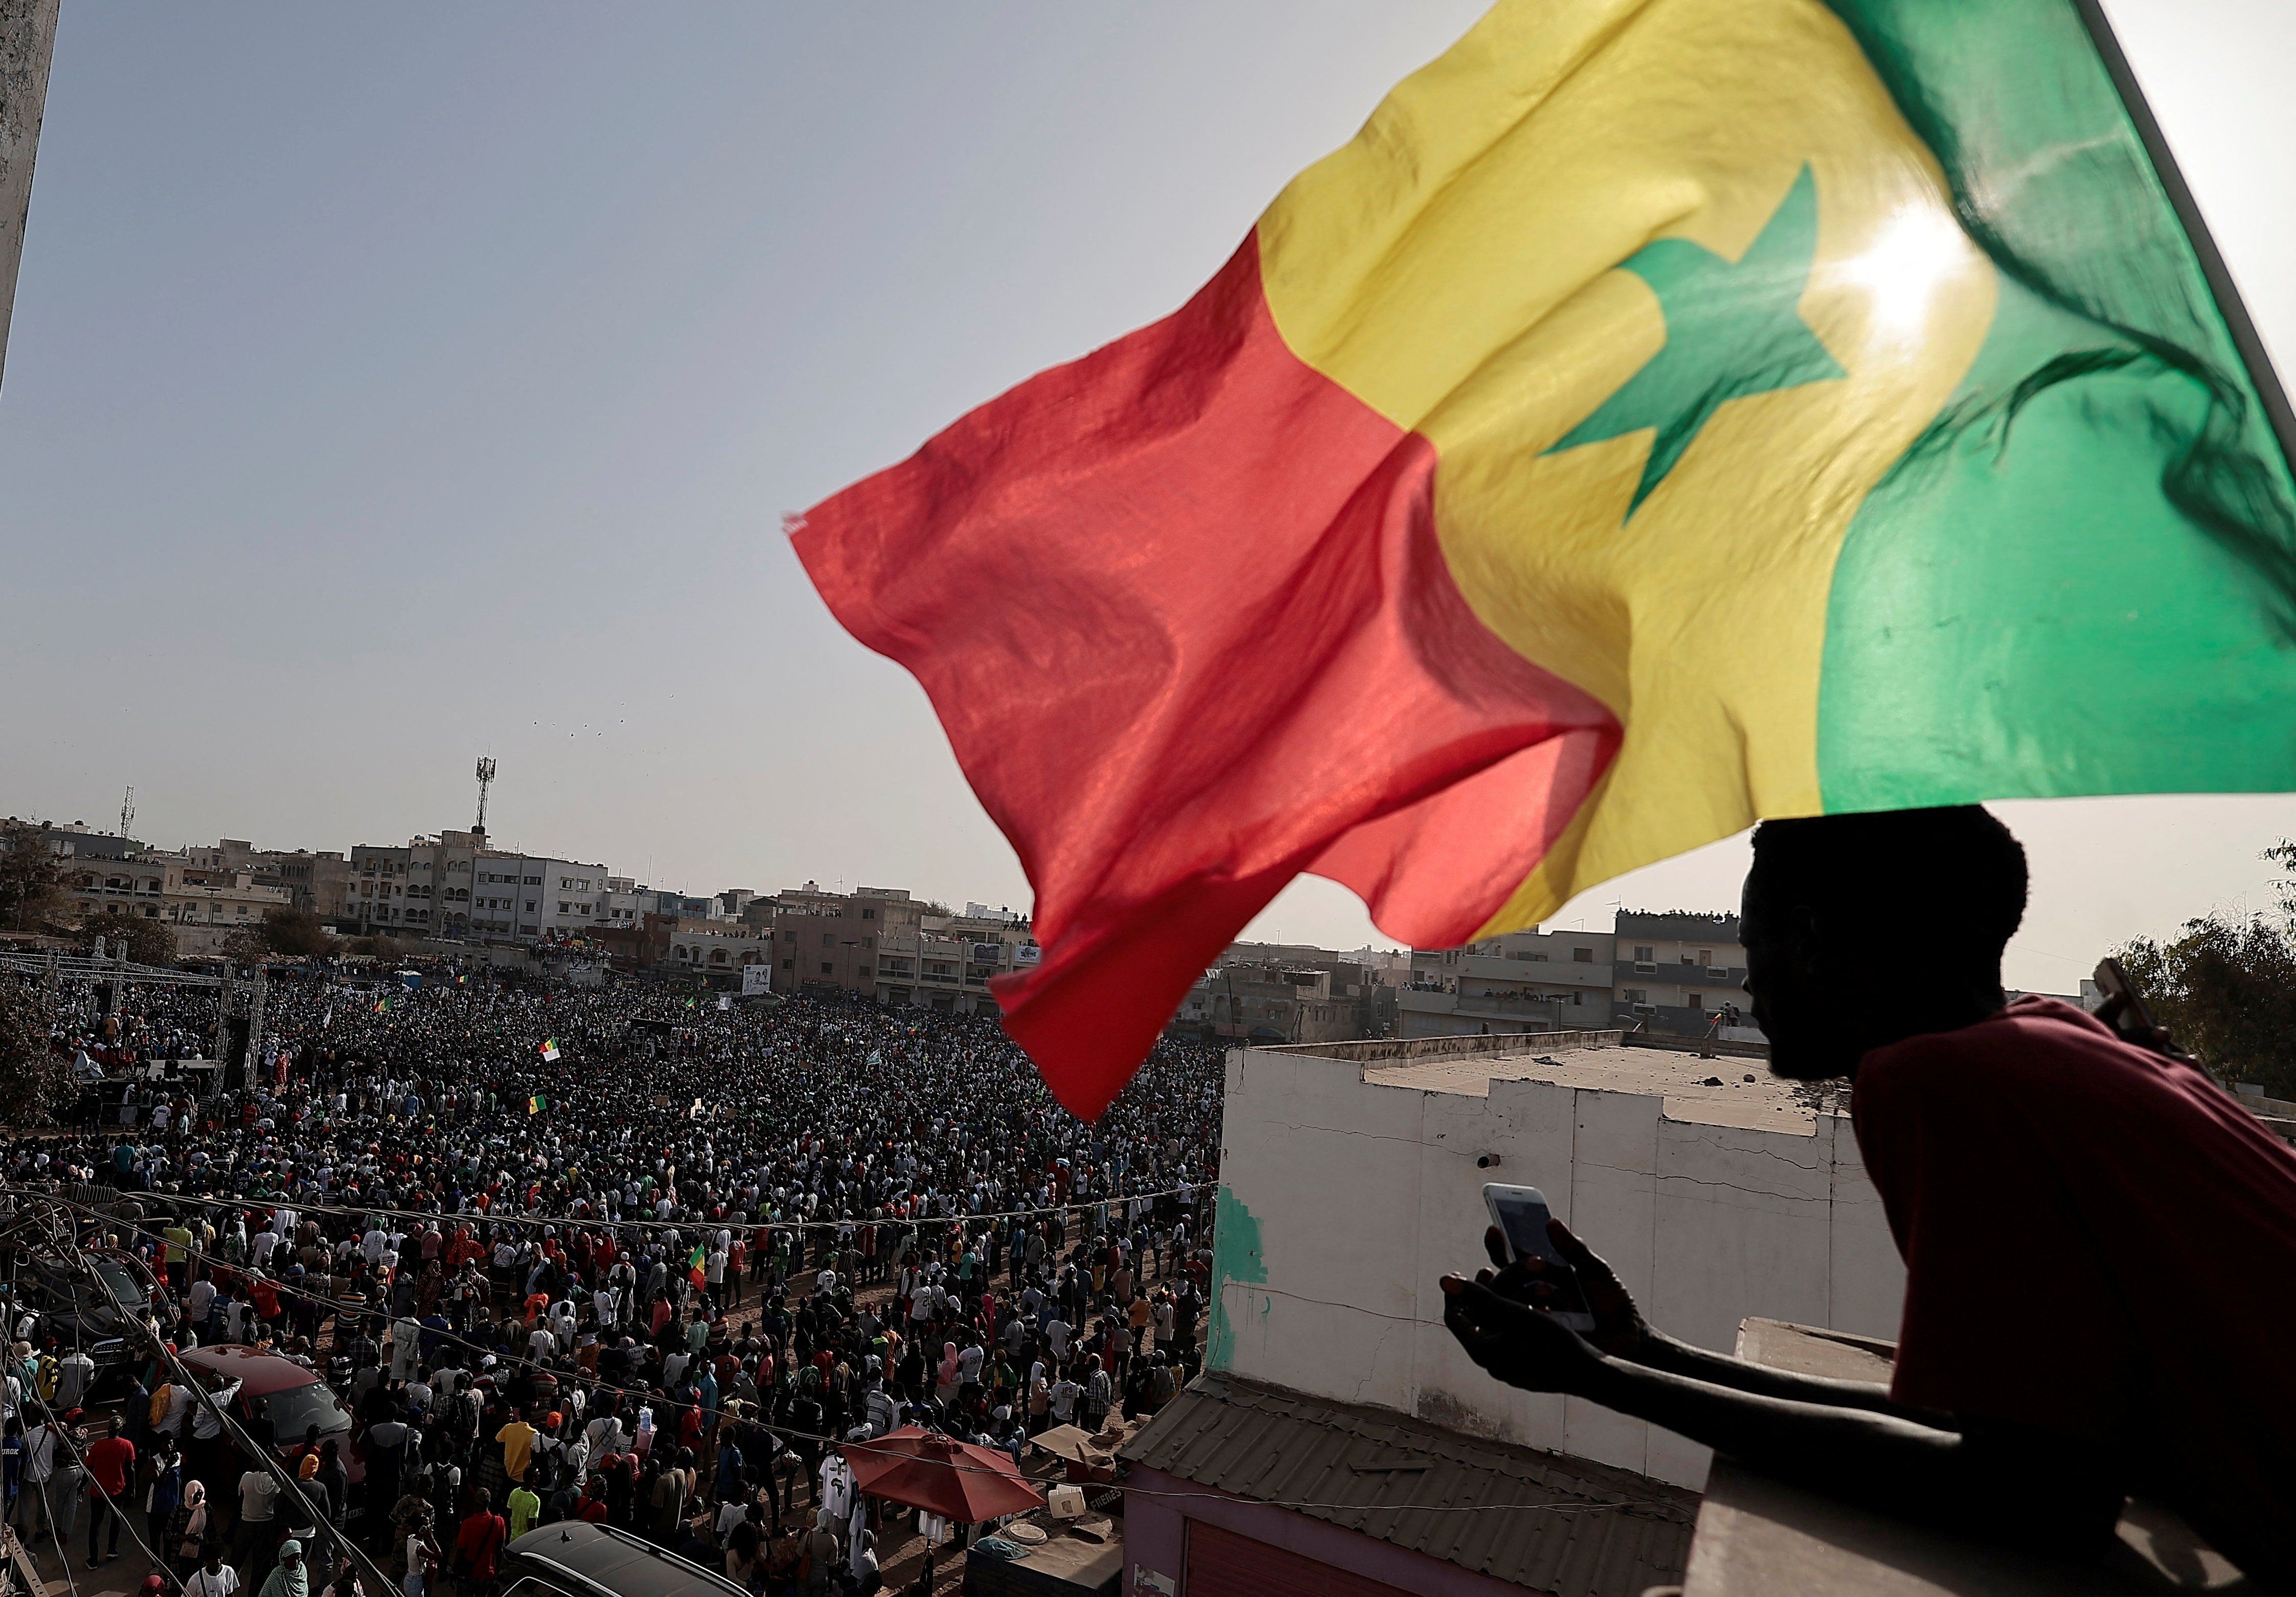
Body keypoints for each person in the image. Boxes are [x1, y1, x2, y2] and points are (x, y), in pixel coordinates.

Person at [1440, 806, 2296, 1588]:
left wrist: (1596, 1382)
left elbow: (2037, 1497)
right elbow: (1986, 1429)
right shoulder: (2053, 1038)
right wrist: (1642, 1351)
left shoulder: (1938, 1081)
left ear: (1810, 942)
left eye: (1752, 947)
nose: (1747, 988)